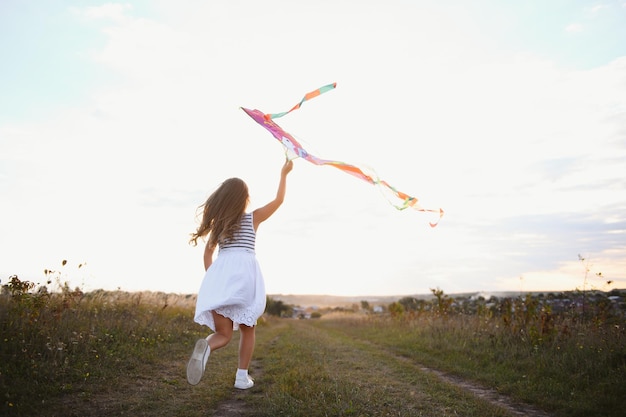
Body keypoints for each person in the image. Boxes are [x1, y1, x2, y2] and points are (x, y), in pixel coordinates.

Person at [186, 158, 294, 389]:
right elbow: (279, 200)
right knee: (248, 330)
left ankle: (207, 346)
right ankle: (241, 377)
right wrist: (284, 173)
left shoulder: (219, 226)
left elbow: (207, 254)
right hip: (244, 278)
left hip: (220, 279)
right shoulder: (252, 218)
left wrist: (213, 280)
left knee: (223, 335)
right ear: (243, 199)